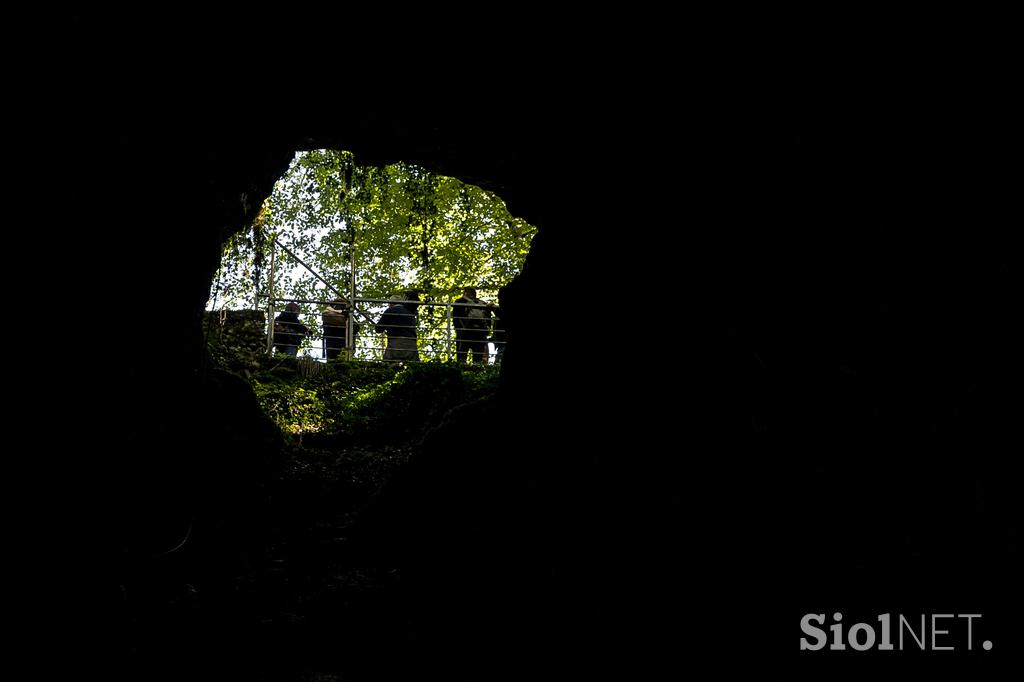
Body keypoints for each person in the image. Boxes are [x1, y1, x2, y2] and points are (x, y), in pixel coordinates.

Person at [452, 287, 493, 364]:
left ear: (465, 293)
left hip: (465, 332)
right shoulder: (482, 303)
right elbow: (488, 318)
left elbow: (456, 318)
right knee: (478, 356)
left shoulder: (459, 302)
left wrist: (458, 329)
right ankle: (476, 371)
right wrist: (487, 331)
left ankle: (461, 370)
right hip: (480, 332)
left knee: (462, 354)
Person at [374, 294, 419, 362]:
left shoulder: (391, 310)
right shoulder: (410, 313)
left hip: (397, 343)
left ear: (391, 303)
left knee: (388, 366)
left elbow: (378, 329)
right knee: (412, 367)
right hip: (412, 344)